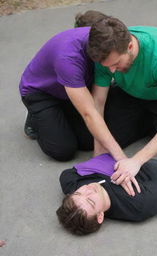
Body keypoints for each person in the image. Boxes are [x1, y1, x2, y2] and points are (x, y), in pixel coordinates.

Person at [86, 16, 157, 187]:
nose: (111, 70)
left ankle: (152, 121)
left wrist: (136, 161)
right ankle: (151, 123)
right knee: (101, 139)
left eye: (116, 64)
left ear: (130, 46)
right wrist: (98, 150)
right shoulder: (106, 53)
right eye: (107, 66)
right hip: (131, 92)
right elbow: (98, 102)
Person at [19, 13, 127, 162]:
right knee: (62, 150)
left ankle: (62, 116)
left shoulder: (104, 39)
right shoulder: (68, 59)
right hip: (42, 93)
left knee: (91, 134)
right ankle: (36, 119)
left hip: (76, 84)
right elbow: (89, 113)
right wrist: (119, 156)